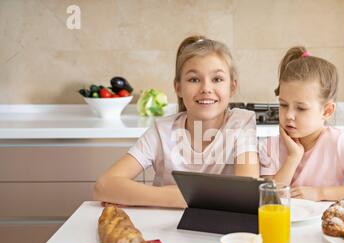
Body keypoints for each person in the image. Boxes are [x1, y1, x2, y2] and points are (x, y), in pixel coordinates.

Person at [93, 35, 259, 208]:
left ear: (232, 86)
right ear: (178, 87)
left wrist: (141, 196)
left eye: (217, 79)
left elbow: (245, 194)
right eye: (194, 79)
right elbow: (103, 186)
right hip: (163, 229)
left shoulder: (241, 123)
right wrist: (182, 197)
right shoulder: (162, 130)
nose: (206, 89)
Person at [259, 46, 344, 201]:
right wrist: (293, 157)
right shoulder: (269, 146)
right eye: (283, 105)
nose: (289, 115)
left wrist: (320, 193)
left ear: (327, 111)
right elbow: (268, 199)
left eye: (301, 108)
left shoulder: (337, 142)